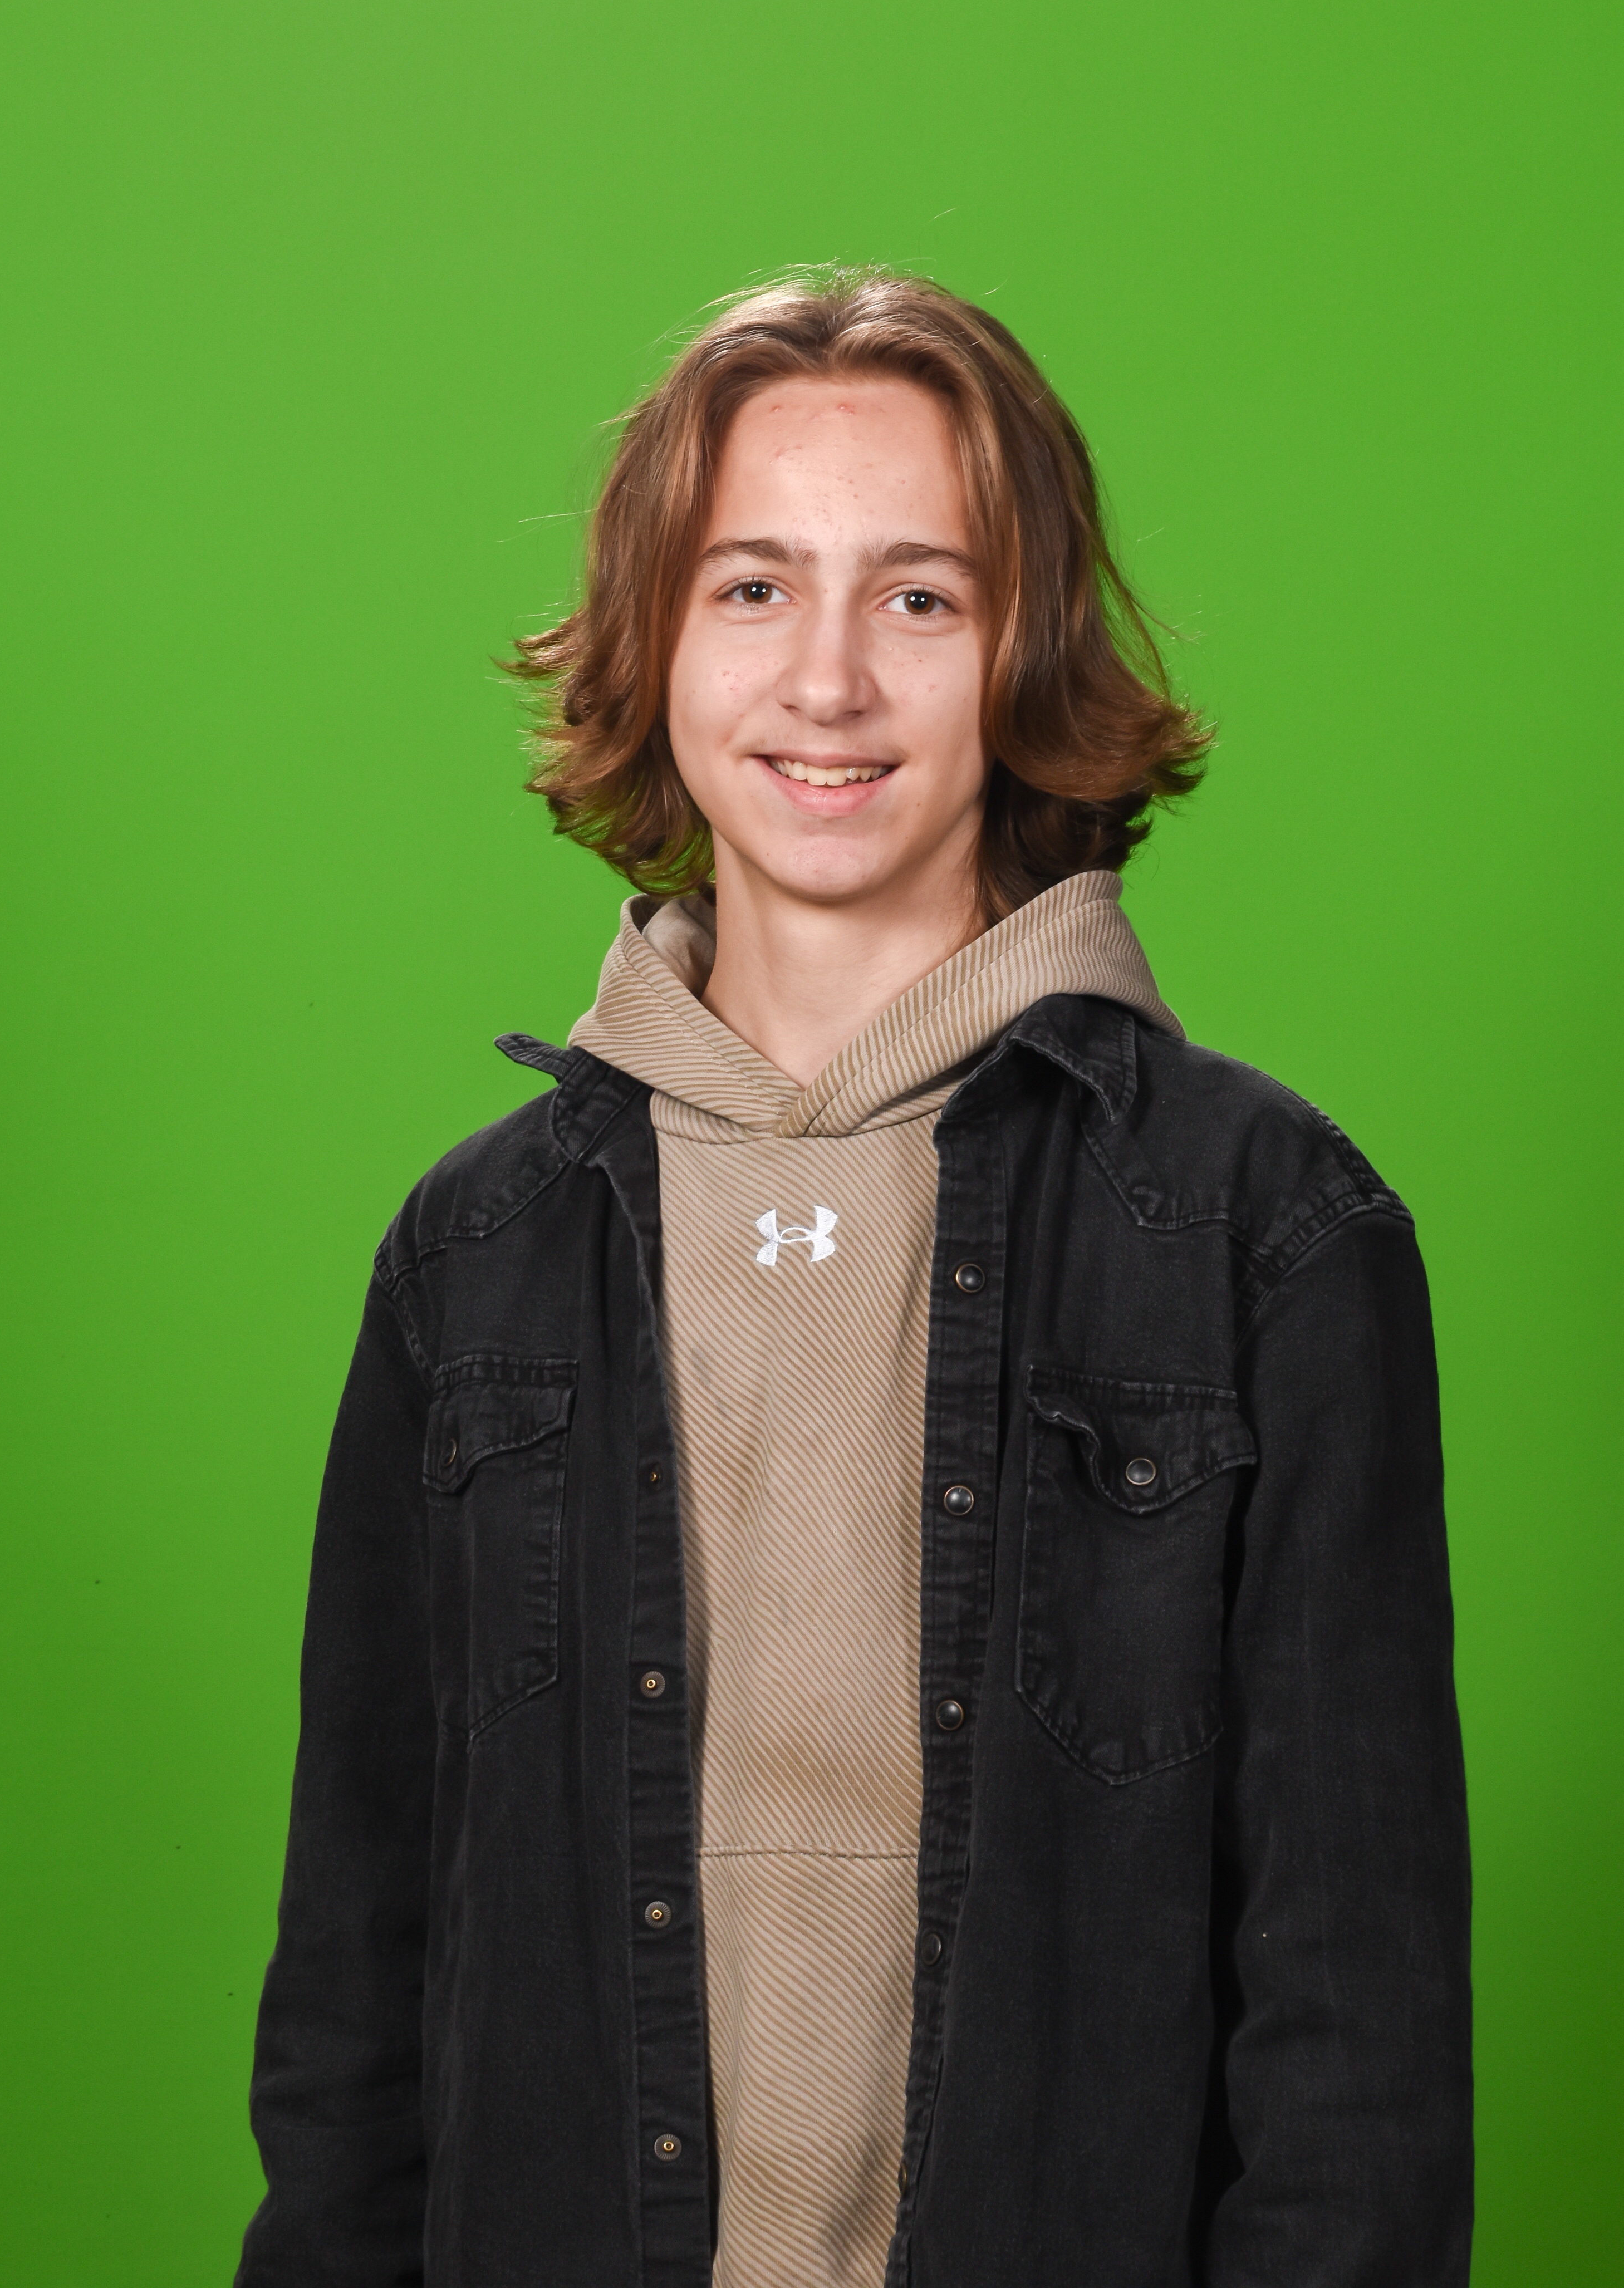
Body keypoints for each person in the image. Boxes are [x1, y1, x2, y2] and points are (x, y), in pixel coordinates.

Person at [236, 271, 1472, 2287]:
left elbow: (1358, 2034)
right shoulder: (477, 1255)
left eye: (919, 596)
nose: (827, 681)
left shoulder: (1265, 1229)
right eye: (750, 588)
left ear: (1027, 654)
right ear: (653, 644)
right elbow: (356, 1992)